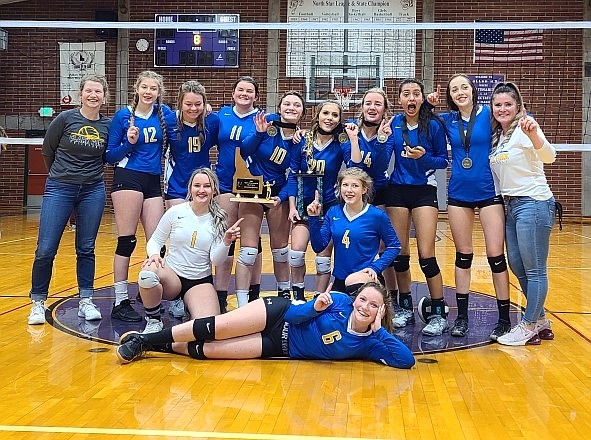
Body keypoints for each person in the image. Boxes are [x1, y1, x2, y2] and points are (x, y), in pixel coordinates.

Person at [116, 281, 415, 369]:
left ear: (381, 311)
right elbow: (294, 317)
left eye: (373, 305)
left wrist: (380, 330)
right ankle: (146, 340)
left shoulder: (373, 341)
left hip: (279, 347)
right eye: (363, 299)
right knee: (213, 327)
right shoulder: (338, 301)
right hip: (277, 315)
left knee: (207, 352)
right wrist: (315, 306)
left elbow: (407, 360)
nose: (364, 307)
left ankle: (158, 345)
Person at [426, 74, 512, 341]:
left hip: (488, 191)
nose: (460, 92)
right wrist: (429, 105)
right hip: (459, 193)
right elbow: (421, 123)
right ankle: (461, 318)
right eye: (454, 89)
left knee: (496, 256)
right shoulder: (447, 120)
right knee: (463, 255)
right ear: (450, 96)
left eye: (464, 87)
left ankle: (504, 319)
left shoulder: (488, 113)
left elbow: (514, 114)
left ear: (473, 90)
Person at [28, 74, 111, 325]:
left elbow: (111, 154)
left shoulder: (108, 125)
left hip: (92, 190)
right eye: (89, 91)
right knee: (45, 248)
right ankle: (37, 302)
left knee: (86, 248)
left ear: (104, 97)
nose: (93, 95)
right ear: (80, 94)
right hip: (60, 187)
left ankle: (86, 300)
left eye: (98, 92)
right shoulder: (65, 119)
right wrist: (60, 175)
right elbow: (47, 150)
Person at [488, 82, 559, 346]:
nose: (503, 109)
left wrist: (535, 137)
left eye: (508, 104)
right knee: (517, 264)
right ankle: (539, 319)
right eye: (498, 105)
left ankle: (528, 324)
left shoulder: (526, 127)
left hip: (535, 203)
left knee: (535, 268)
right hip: (512, 206)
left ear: (518, 106)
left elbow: (550, 156)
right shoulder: (499, 137)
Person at [137, 168, 243, 333]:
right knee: (147, 273)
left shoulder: (219, 219)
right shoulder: (176, 212)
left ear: (214, 190)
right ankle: (154, 321)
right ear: (190, 189)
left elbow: (216, 260)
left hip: (199, 281)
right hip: (173, 277)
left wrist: (226, 242)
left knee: (206, 330)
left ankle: (190, 305)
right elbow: (155, 241)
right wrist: (155, 255)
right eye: (197, 185)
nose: (201, 190)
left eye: (207, 186)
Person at [105, 70, 174, 322]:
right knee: (127, 241)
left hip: (153, 180)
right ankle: (120, 301)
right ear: (136, 88)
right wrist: (129, 143)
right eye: (144, 87)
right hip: (128, 177)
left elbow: (188, 122)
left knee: (157, 244)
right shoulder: (124, 115)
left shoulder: (165, 115)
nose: (148, 92)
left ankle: (147, 292)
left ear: (159, 92)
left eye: (153, 88)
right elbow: (110, 156)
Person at [383, 79, 449, 336]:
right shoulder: (394, 125)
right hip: (397, 190)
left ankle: (438, 312)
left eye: (416, 94)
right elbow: (381, 150)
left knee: (426, 255)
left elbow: (443, 161)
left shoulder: (433, 125)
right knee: (400, 255)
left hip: (424, 190)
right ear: (399, 100)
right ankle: (405, 306)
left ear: (422, 98)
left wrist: (424, 158)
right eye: (406, 94)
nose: (411, 98)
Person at [234, 91, 306, 306]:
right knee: (248, 251)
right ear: (280, 107)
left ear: (302, 111)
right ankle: (242, 301)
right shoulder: (266, 124)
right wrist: (258, 133)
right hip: (252, 192)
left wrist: (282, 197)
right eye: (287, 104)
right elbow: (244, 149)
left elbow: (294, 175)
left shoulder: (301, 139)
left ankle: (284, 294)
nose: (291, 107)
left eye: (296, 105)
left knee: (281, 250)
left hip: (278, 195)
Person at [287, 100, 357, 299]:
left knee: (323, 260)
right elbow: (293, 175)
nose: (330, 118)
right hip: (303, 205)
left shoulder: (340, 142)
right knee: (296, 254)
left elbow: (353, 165)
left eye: (335, 115)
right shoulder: (301, 139)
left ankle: (320, 298)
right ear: (317, 115)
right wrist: (292, 207)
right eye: (325, 113)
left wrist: (352, 136)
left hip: (328, 205)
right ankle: (298, 297)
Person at [307, 167, 401, 294]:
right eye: (345, 185)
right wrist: (313, 219)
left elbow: (394, 246)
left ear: (364, 189)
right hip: (340, 281)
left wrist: (376, 267)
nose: (349, 190)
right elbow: (318, 246)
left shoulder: (377, 216)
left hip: (365, 279)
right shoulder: (333, 212)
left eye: (355, 186)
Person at [213, 76, 263, 312]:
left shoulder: (264, 119)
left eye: (249, 91)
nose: (245, 94)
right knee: (227, 240)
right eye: (240, 90)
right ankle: (220, 295)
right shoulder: (220, 116)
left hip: (254, 185)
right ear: (233, 93)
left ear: (256, 95)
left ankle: (254, 295)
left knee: (253, 242)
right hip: (225, 182)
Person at [346, 88, 398, 303]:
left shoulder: (389, 133)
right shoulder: (350, 130)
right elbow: (355, 166)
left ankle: (392, 297)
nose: (372, 107)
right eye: (368, 103)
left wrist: (383, 140)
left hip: (381, 193)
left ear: (384, 109)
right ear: (362, 107)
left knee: (385, 247)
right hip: (355, 193)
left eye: (378, 103)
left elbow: (379, 165)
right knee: (356, 243)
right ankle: (355, 288)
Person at [164, 80, 219, 208]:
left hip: (203, 187)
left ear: (204, 103)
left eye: (198, 104)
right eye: (188, 104)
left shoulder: (212, 121)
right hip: (176, 186)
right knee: (180, 226)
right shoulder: (169, 122)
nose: (193, 108)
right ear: (180, 103)